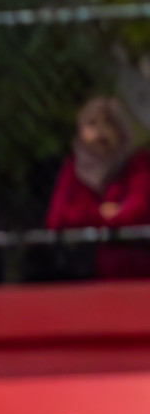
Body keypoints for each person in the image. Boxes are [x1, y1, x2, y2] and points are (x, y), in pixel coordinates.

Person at [46, 96, 150, 280]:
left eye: (108, 124)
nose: (100, 133)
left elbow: (138, 212)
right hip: (82, 275)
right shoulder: (72, 169)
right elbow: (56, 219)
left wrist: (89, 219)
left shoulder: (138, 165)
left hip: (134, 275)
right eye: (92, 124)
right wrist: (101, 214)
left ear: (120, 132)